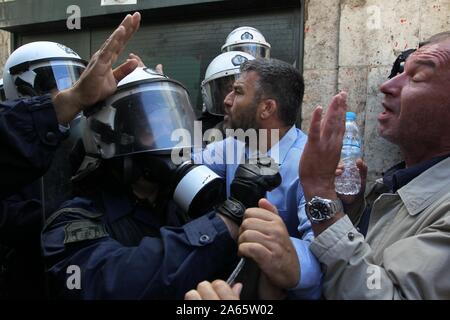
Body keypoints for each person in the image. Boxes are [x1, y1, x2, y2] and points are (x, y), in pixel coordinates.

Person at [296, 31, 450, 299]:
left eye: (416, 77)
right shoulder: (400, 181)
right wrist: (355, 210)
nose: (387, 85)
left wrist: (321, 193)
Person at [0, 12, 142, 298]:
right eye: (55, 80)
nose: (69, 88)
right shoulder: (14, 155)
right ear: (21, 86)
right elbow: (16, 221)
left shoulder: (85, 136)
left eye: (76, 78)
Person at [193, 58, 322, 299]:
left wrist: (283, 253)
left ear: (266, 108)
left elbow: (323, 254)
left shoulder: (308, 165)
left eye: (238, 92)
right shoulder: (235, 145)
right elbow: (189, 162)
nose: (227, 100)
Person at [199, 51, 255, 144]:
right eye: (229, 88)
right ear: (218, 93)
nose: (233, 96)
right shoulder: (199, 132)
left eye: (241, 90)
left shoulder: (269, 128)